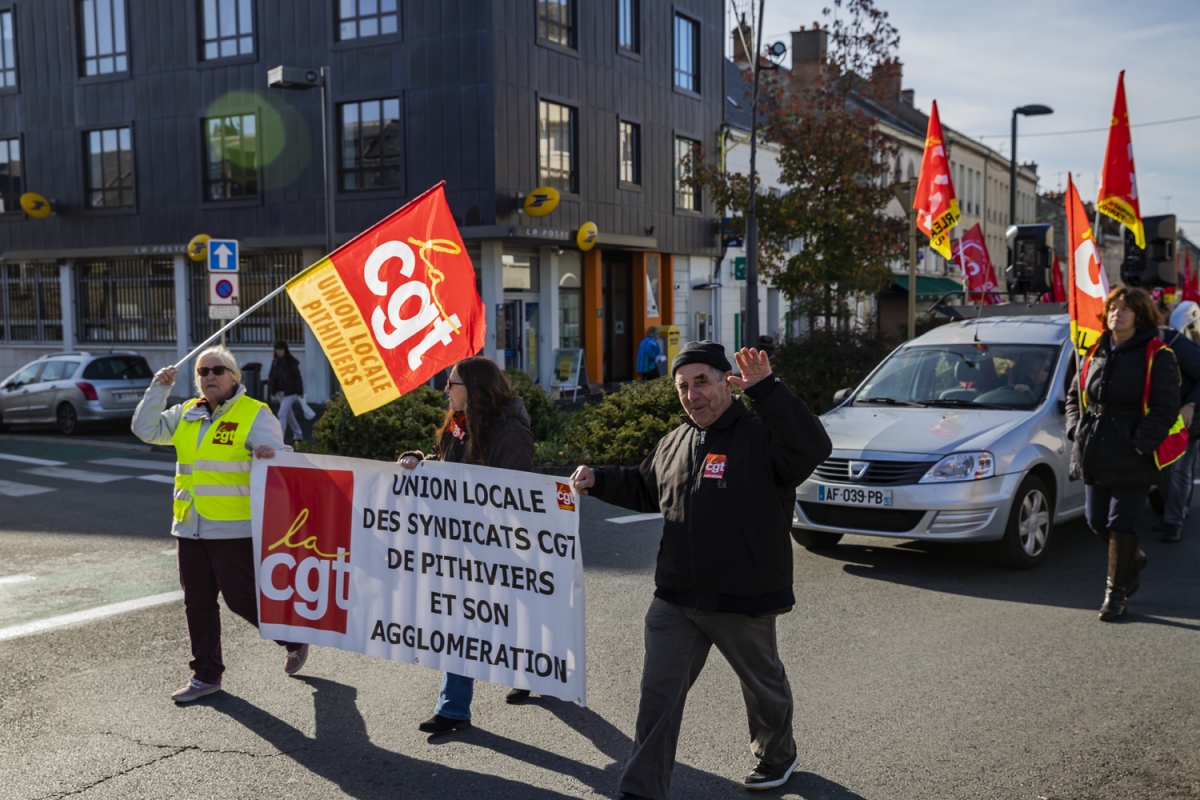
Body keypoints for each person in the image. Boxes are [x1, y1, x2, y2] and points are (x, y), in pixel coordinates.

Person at [571, 341, 832, 797]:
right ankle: (642, 787)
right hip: (676, 598)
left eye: (702, 383)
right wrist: (600, 479)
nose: (693, 396)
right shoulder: (674, 442)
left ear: (728, 383)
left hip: (743, 597)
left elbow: (812, 446)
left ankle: (778, 755)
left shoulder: (761, 434)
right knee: (658, 698)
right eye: (683, 387)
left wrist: (768, 389)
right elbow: (645, 486)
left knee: (763, 689)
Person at [132, 345, 309, 702]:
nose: (209, 376)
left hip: (233, 527)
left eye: (217, 370)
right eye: (202, 372)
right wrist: (158, 388)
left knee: (241, 599)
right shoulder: (186, 413)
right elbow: (144, 428)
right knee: (197, 602)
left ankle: (293, 637)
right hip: (189, 525)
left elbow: (283, 458)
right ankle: (206, 675)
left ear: (234, 377)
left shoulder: (254, 413)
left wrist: (269, 454)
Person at [397, 356, 535, 735]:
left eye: (451, 383)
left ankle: (532, 667)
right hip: (461, 542)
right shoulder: (457, 426)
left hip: (499, 545)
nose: (445, 390)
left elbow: (519, 496)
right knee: (460, 619)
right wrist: (420, 463)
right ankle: (454, 708)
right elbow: (448, 470)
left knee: (507, 613)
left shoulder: (510, 434)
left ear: (474, 388)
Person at [1066, 287, 1185, 622]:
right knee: (1095, 520)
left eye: (1126, 308)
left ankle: (1115, 595)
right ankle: (1133, 558)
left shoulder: (1157, 354)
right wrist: (1075, 428)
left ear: (1141, 315)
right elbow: (1076, 393)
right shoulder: (1094, 350)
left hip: (1134, 451)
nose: (1117, 313)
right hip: (1096, 446)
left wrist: (1139, 444)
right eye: (1113, 307)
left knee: (1121, 522)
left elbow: (1165, 408)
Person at [1155, 321, 1200, 542]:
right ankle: (1174, 511)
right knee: (1163, 471)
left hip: (1187, 418)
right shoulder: (1145, 345)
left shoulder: (1179, 346)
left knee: (1179, 470)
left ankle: (1173, 522)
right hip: (1160, 417)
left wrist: (1191, 404)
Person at [268, 340, 304, 443]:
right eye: (277, 349)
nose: (279, 351)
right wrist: (272, 389)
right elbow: (271, 376)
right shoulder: (275, 362)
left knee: (281, 414)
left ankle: (280, 439)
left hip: (290, 392)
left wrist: (300, 391)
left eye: (281, 349)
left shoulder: (291, 362)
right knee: (289, 415)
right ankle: (298, 435)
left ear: (285, 350)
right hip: (280, 392)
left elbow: (298, 377)